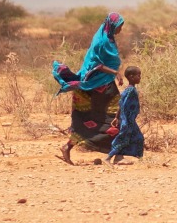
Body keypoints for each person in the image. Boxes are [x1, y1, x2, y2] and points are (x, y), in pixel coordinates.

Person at [56, 12, 125, 164]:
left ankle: (117, 154)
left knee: (114, 117)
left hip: (104, 83)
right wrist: (115, 72)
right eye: (120, 26)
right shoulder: (101, 41)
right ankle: (68, 147)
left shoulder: (109, 38)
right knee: (96, 118)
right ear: (112, 25)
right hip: (94, 85)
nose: (121, 29)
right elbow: (95, 64)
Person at [107, 66, 144, 164]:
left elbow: (120, 103)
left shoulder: (129, 89)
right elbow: (123, 104)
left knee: (139, 138)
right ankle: (108, 158)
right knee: (123, 139)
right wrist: (122, 118)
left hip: (130, 120)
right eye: (138, 75)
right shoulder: (130, 90)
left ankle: (121, 158)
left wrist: (116, 117)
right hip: (127, 120)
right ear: (131, 77)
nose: (140, 77)